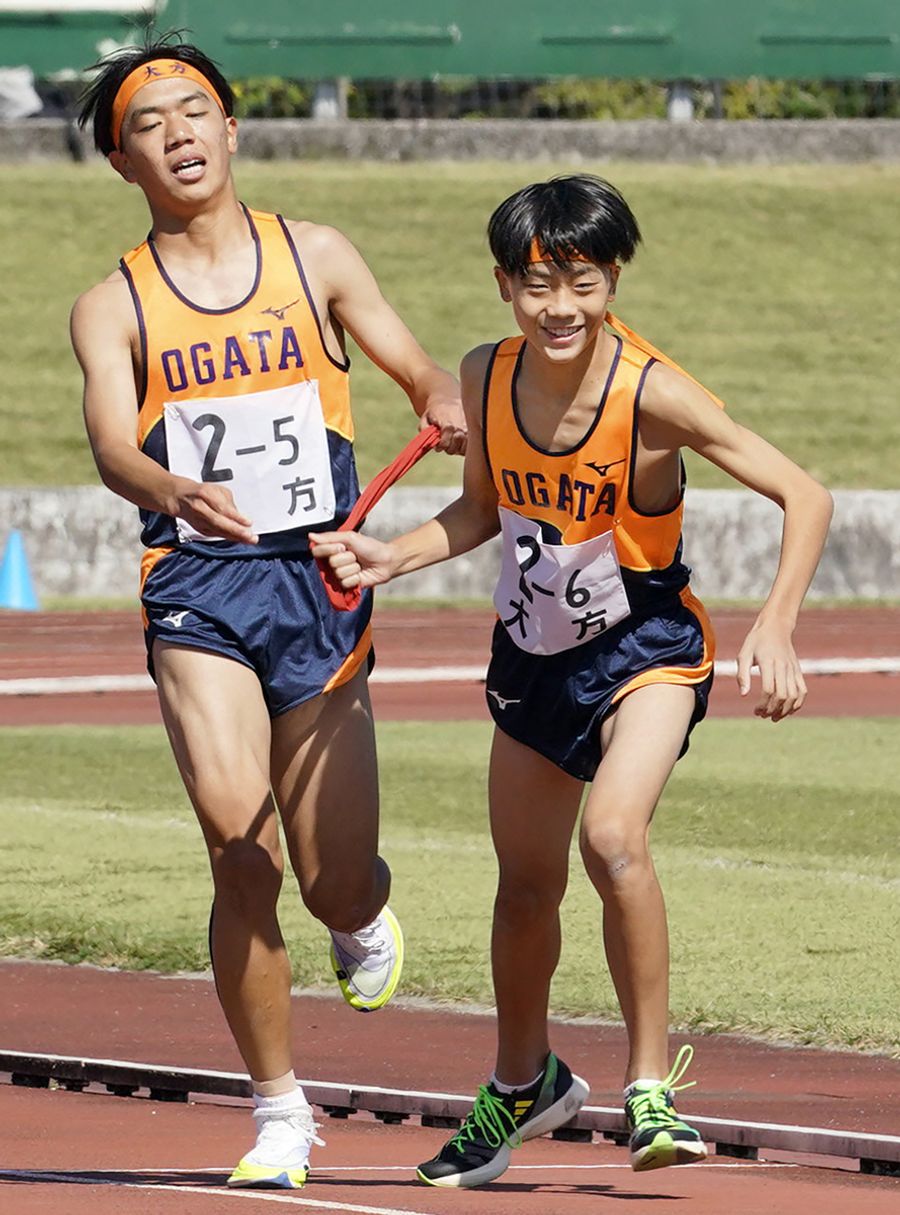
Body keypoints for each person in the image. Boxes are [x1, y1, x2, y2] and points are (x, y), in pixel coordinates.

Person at [311, 174, 834, 1185]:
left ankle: (649, 1089)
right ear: (506, 285)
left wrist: (778, 623)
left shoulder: (652, 392)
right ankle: (521, 1084)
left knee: (613, 840)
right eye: (538, 284)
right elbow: (479, 511)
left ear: (613, 277)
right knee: (524, 888)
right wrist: (390, 555)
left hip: (646, 652)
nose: (561, 307)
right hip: (533, 655)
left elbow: (802, 494)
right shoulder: (486, 375)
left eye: (583, 283)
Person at [70, 37, 466, 1191]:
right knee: (237, 846)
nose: (181, 133)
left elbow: (413, 367)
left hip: (322, 580)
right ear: (121, 157)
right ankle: (280, 1112)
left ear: (235, 130)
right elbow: (107, 439)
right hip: (199, 589)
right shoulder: (112, 306)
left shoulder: (318, 255)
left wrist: (439, 396)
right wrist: (165, 484)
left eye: (199, 112)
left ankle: (355, 915)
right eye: (153, 122)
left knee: (333, 876)